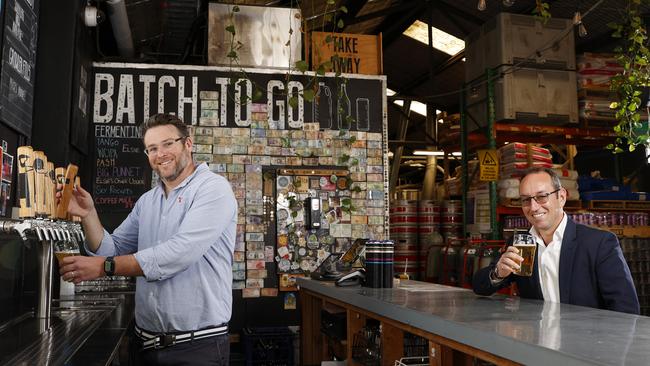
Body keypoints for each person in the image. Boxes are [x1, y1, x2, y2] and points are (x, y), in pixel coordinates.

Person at [58, 113, 237, 365]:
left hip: (196, 347)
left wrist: (105, 267)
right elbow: (113, 248)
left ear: (188, 144)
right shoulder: (148, 201)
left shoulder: (213, 189)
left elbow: (180, 253)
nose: (160, 154)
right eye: (152, 148)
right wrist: (89, 214)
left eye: (167, 144)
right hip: (144, 346)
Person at [473, 167, 639, 314]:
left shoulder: (598, 244)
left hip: (586, 344)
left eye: (542, 196)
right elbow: (480, 287)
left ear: (561, 197)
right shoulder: (520, 244)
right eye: (525, 199)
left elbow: (626, 307)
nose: (533, 207)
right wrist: (498, 273)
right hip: (538, 343)